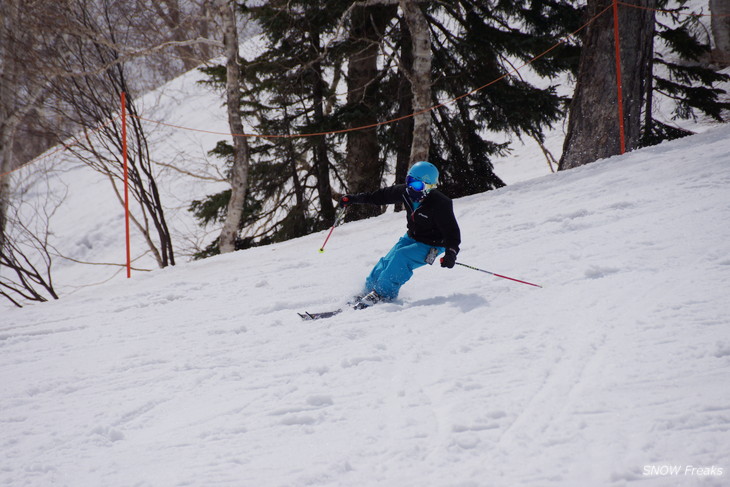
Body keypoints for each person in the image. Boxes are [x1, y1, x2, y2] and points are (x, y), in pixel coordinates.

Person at [340, 161, 461, 307]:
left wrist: (451, 253)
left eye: (417, 185)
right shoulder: (405, 192)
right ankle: (368, 291)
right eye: (410, 181)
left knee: (401, 257)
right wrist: (353, 199)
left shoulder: (441, 203)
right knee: (387, 261)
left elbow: (452, 233)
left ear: (429, 187)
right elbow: (379, 196)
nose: (411, 187)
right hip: (412, 237)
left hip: (433, 244)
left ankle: (383, 295)